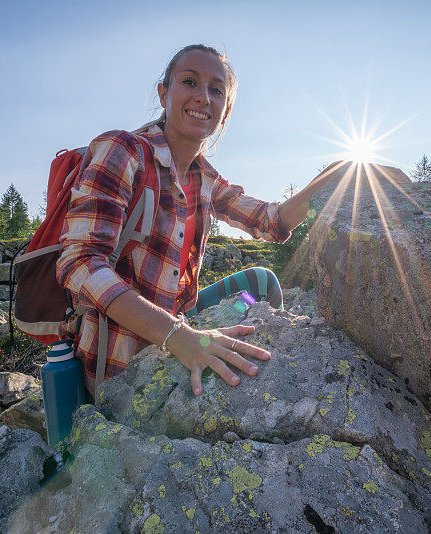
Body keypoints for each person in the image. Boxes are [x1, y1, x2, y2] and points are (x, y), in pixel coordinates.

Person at [56, 44, 349, 398]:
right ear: (164, 93)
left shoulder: (205, 181)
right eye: (190, 82)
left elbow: (272, 221)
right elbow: (81, 262)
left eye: (216, 90)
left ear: (225, 110)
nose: (203, 97)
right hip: (121, 354)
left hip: (183, 324)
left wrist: (342, 174)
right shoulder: (124, 150)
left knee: (261, 283)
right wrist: (178, 336)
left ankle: (262, 365)